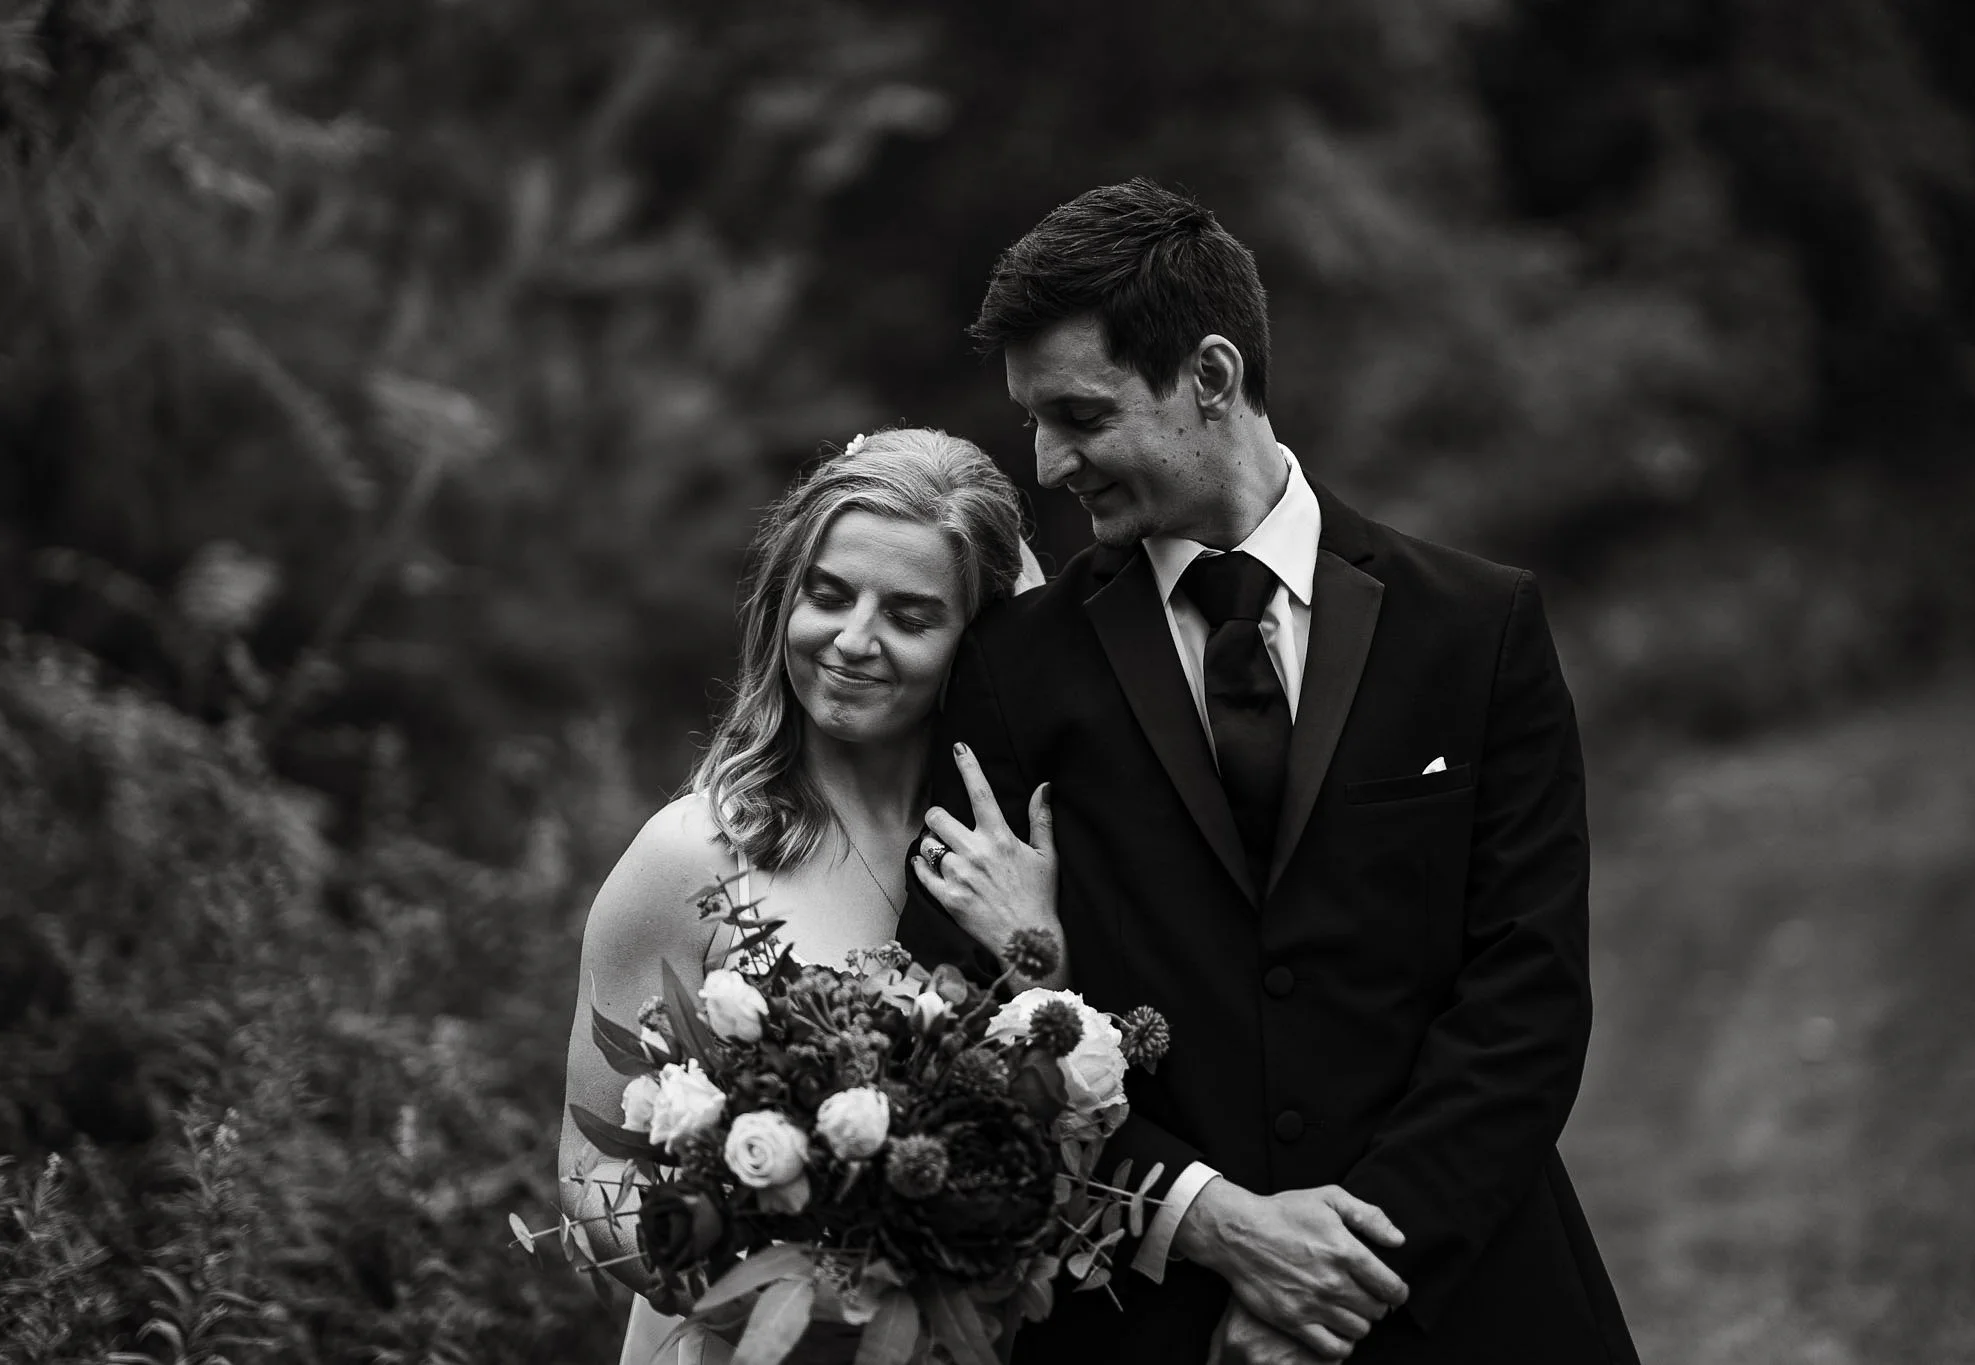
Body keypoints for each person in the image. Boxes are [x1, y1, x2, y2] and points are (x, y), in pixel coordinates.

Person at [897, 180, 1641, 1365]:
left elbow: (1527, 994)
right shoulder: (1005, 674)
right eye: (1031, 420)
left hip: (1466, 1301)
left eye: (1079, 415)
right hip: (1157, 1323)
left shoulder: (1475, 627)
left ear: (1210, 376)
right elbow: (957, 1017)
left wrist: (1350, 1276)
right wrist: (1214, 1227)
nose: (1044, 464)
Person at [556, 428, 1048, 1365]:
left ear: (976, 641)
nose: (854, 640)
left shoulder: (1012, 860)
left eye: (909, 615)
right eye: (827, 596)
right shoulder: (693, 854)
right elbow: (589, 1171)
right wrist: (752, 1298)